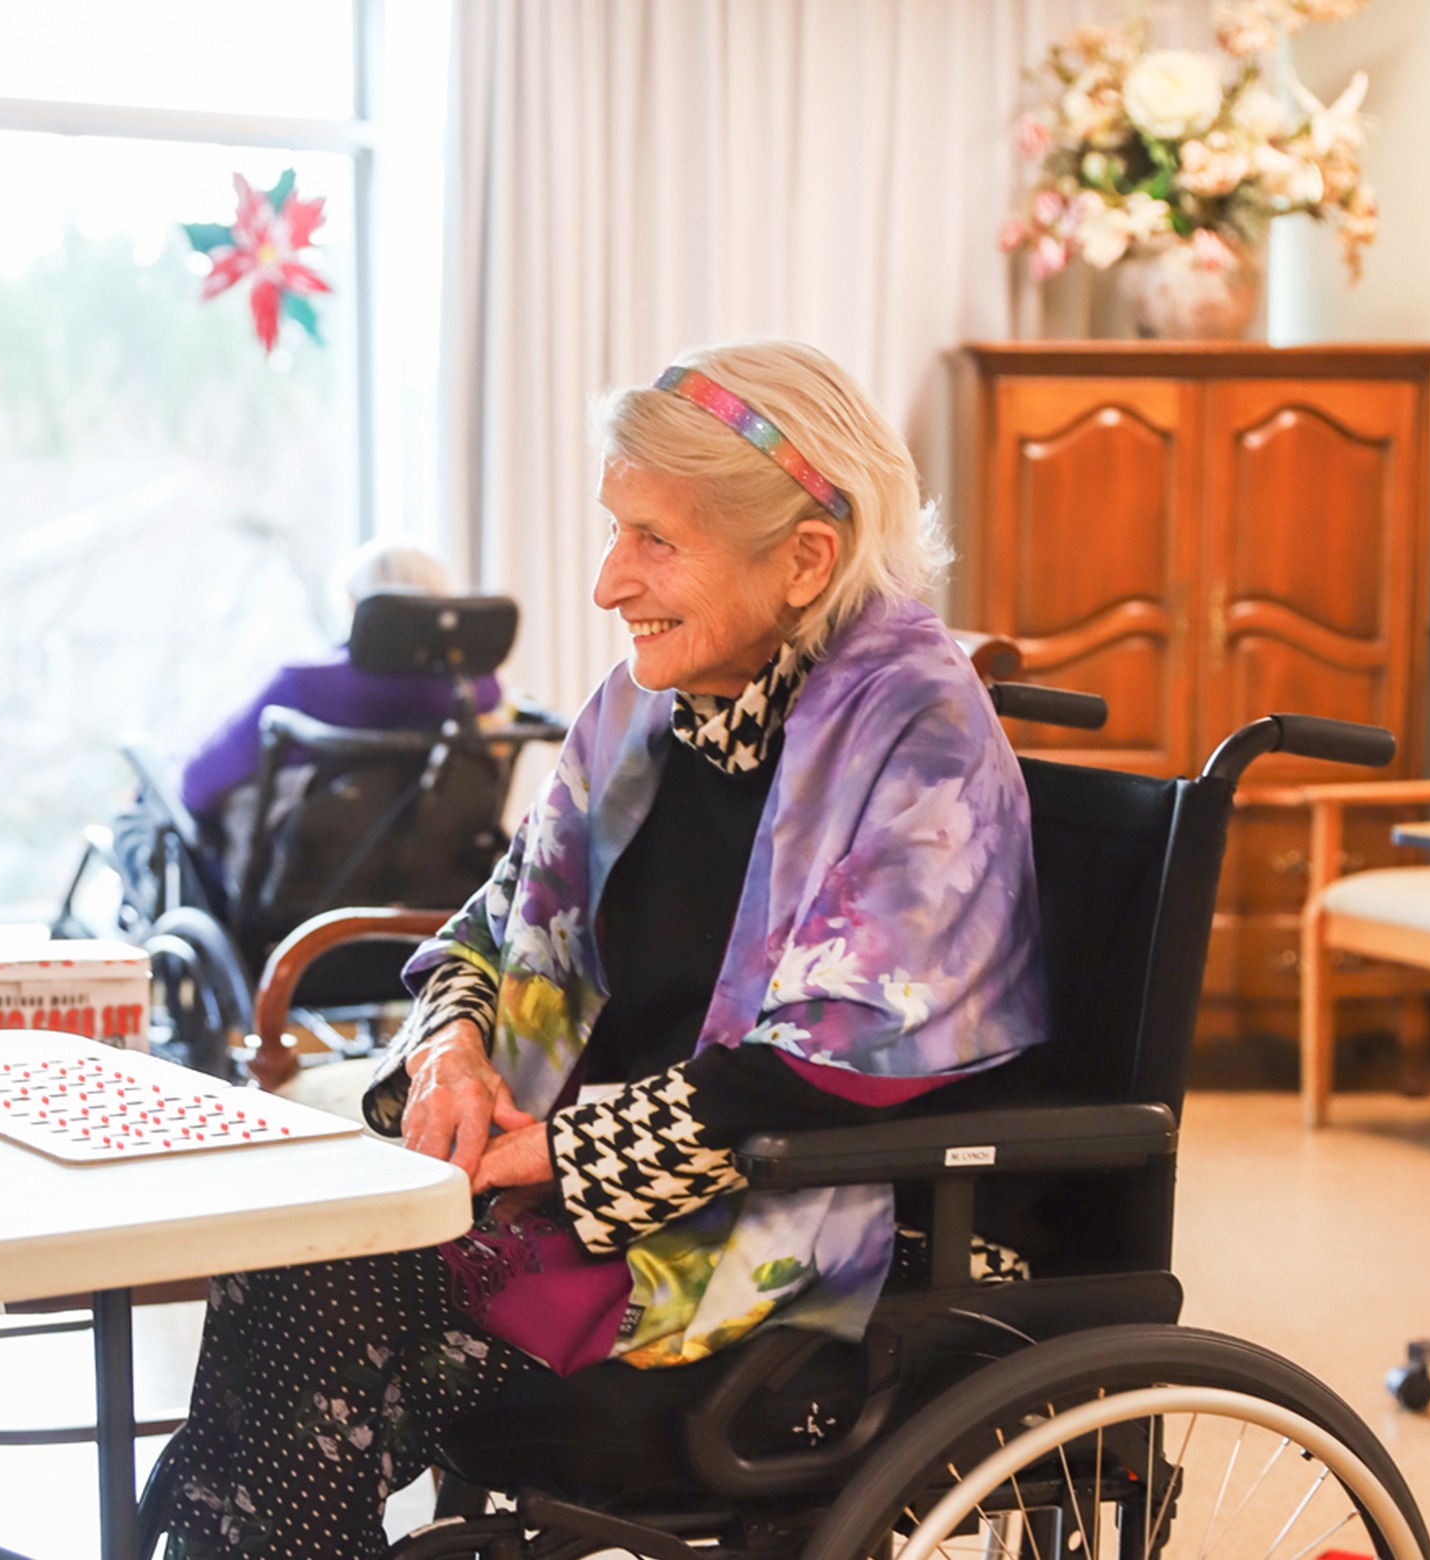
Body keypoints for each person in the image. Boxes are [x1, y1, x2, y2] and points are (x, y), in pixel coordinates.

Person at [153, 340, 1047, 1557]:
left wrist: (550, 1156)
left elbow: (833, 1065)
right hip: (579, 1195)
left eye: (655, 541)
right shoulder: (649, 704)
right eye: (614, 529)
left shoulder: (916, 729)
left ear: (804, 559)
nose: (606, 582)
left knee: (321, 1294)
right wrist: (453, 1051)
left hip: (771, 1225)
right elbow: (493, 921)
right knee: (280, 1254)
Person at [178, 539, 502, 820]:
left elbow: (197, 785)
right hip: (431, 855)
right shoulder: (478, 690)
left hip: (310, 858)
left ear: (360, 609)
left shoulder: (302, 687)